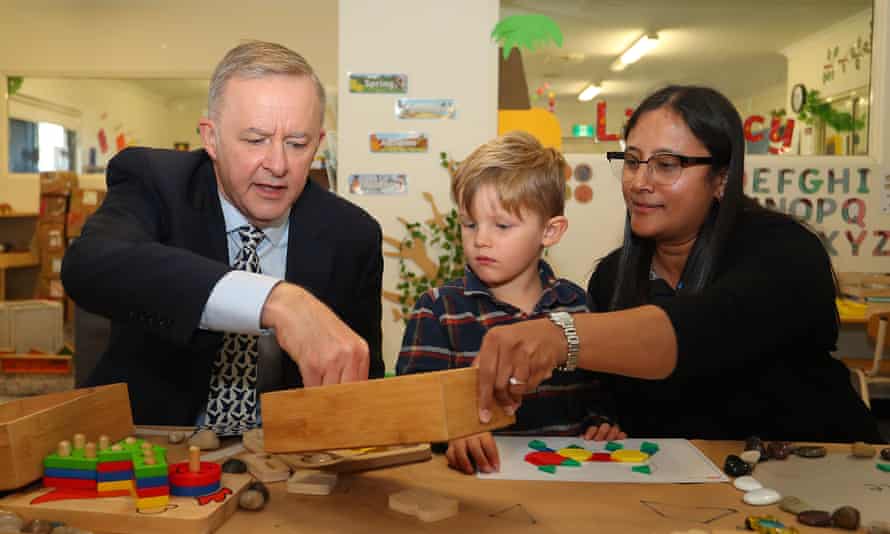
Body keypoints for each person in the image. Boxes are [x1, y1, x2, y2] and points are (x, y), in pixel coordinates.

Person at [472, 86, 883, 443]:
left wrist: (560, 336)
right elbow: (613, 405)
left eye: (667, 165)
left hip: (814, 477)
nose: (639, 182)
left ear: (721, 179)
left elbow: (704, 330)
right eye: (632, 161)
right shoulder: (612, 278)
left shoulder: (785, 252)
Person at [62, 41, 385, 433]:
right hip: (152, 451)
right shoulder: (156, 182)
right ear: (211, 138)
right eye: (255, 140)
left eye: (297, 144)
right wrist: (276, 300)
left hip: (287, 459)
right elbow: (91, 264)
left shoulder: (352, 236)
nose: (278, 165)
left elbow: (359, 385)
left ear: (317, 143)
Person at [397, 132, 623, 475]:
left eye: (502, 225)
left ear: (550, 232)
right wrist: (455, 434)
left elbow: (599, 395)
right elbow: (412, 411)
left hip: (568, 486)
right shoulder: (437, 310)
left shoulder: (577, 306)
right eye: (469, 224)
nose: (481, 239)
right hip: (475, 489)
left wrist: (602, 422)